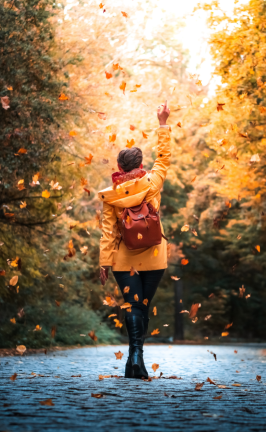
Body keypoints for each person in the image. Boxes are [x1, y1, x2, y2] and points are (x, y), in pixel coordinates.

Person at [98, 100, 171, 379]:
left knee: (133, 305)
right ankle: (136, 357)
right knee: (142, 306)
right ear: (141, 165)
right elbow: (164, 158)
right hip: (154, 257)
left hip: (123, 259)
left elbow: (109, 232)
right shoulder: (152, 182)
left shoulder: (111, 196)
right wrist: (163, 123)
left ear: (118, 166)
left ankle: (134, 358)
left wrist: (104, 263)